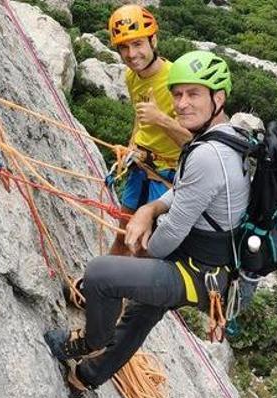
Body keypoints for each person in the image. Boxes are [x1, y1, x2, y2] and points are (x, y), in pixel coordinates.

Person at [45, 51, 248, 390]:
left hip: (196, 273)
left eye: (193, 94)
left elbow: (168, 237)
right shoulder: (227, 138)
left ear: (219, 98)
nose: (181, 104)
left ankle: (91, 341)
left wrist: (138, 249)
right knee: (143, 311)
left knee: (101, 274)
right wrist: (148, 210)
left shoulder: (208, 156)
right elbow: (184, 192)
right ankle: (86, 377)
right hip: (214, 268)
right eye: (177, 94)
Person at [106, 4, 192, 255]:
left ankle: (134, 293)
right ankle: (104, 289)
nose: (132, 54)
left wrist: (160, 120)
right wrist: (133, 145)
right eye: (124, 47)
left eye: (138, 44)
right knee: (123, 236)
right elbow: (140, 118)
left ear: (153, 40)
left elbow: (195, 144)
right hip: (141, 166)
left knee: (146, 247)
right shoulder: (132, 77)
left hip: (168, 176)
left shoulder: (177, 81)